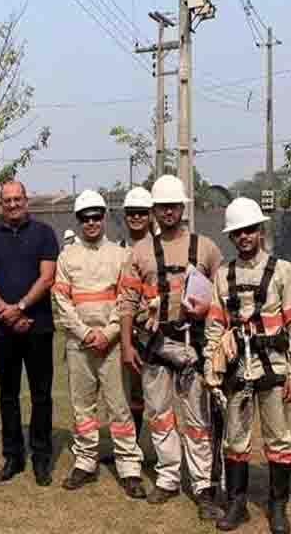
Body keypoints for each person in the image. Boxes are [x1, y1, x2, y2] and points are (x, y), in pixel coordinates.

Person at [117, 175, 223, 519]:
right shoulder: (140, 252)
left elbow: (222, 298)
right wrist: (125, 345)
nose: (168, 212)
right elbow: (128, 302)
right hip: (153, 346)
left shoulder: (206, 248)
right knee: (160, 417)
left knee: (197, 420)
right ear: (154, 211)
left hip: (193, 346)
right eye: (162, 207)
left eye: (173, 206)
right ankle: (167, 477)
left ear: (182, 208)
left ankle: (204, 485)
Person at [204, 198, 291, 533]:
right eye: (238, 232)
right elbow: (214, 326)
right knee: (234, 441)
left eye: (250, 229)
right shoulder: (223, 275)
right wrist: (211, 367)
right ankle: (237, 504)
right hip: (236, 370)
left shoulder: (284, 272)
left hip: (274, 369)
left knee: (279, 440)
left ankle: (277, 507)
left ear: (261, 231)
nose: (245, 236)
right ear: (231, 237)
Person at [52, 190, 146, 499]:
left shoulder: (121, 256)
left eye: (96, 216)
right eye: (85, 218)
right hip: (80, 346)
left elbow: (128, 301)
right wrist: (85, 333)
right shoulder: (67, 257)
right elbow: (61, 300)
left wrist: (109, 333)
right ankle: (85, 461)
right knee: (83, 407)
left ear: (104, 217)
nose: (91, 222)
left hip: (112, 344)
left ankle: (130, 468)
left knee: (119, 408)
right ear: (78, 221)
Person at [0, 180, 58, 486]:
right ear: (0, 204)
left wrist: (21, 307)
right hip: (3, 330)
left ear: (27, 200)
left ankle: (41, 456)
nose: (13, 204)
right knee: (8, 395)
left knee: (41, 395)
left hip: (38, 328)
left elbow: (47, 277)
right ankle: (13, 455)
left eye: (17, 199)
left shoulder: (44, 234)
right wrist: (6, 312)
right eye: (7, 200)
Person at [118, 186, 155, 443]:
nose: (136, 217)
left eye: (142, 212)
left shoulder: (158, 248)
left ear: (151, 214)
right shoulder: (119, 248)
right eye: (132, 213)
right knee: (127, 394)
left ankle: (152, 448)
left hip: (149, 331)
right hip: (122, 330)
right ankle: (131, 447)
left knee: (151, 394)